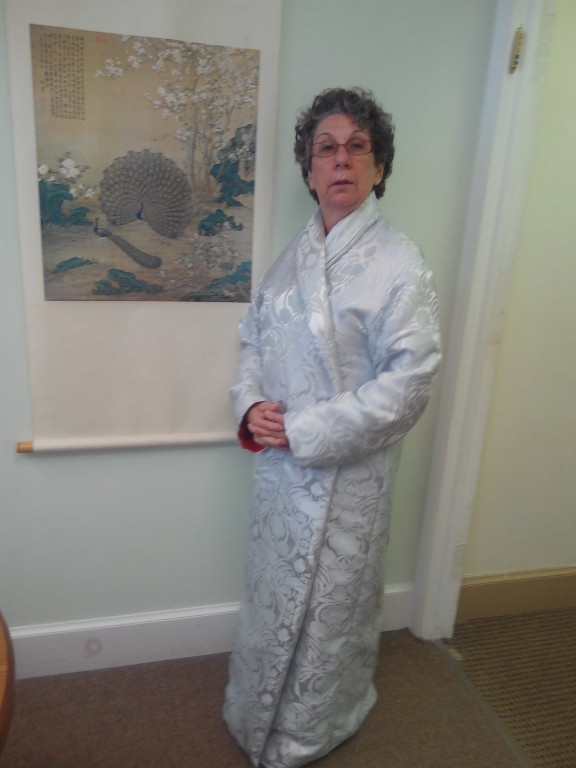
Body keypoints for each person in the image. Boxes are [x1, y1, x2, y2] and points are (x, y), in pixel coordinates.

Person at [223, 87, 442, 768]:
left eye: (357, 147)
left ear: (379, 167)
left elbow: (411, 380)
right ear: (309, 169)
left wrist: (310, 429)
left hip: (349, 475)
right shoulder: (289, 260)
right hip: (279, 473)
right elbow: (253, 340)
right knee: (273, 592)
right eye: (326, 148)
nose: (341, 159)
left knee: (332, 605)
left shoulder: (400, 263)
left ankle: (311, 727)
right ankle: (254, 706)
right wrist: (250, 406)